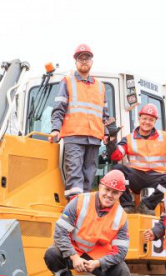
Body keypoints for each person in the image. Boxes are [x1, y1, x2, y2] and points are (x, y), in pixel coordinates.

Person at [44, 170, 131, 276]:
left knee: (122, 272)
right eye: (106, 190)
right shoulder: (80, 202)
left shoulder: (121, 216)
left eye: (114, 192)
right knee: (52, 254)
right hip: (74, 250)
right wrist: (74, 257)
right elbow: (60, 232)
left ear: (120, 194)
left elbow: (121, 251)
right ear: (100, 186)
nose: (109, 195)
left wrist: (98, 263)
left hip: (98, 257)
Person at [49, 43, 113, 200]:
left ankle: (84, 206)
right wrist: (56, 129)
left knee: (89, 175)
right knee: (75, 173)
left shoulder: (100, 86)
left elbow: (104, 114)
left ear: (92, 61)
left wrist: (106, 132)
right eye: (80, 58)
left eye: (87, 58)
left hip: (94, 138)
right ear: (76, 62)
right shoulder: (68, 82)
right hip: (74, 136)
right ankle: (75, 207)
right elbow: (59, 108)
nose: (84, 61)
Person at [107, 104, 166, 214]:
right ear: (139, 119)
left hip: (157, 177)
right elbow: (116, 155)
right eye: (144, 118)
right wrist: (112, 138)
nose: (147, 122)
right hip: (136, 177)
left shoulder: (164, 137)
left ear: (155, 122)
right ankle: (128, 205)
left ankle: (147, 204)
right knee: (118, 170)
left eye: (151, 120)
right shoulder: (128, 139)